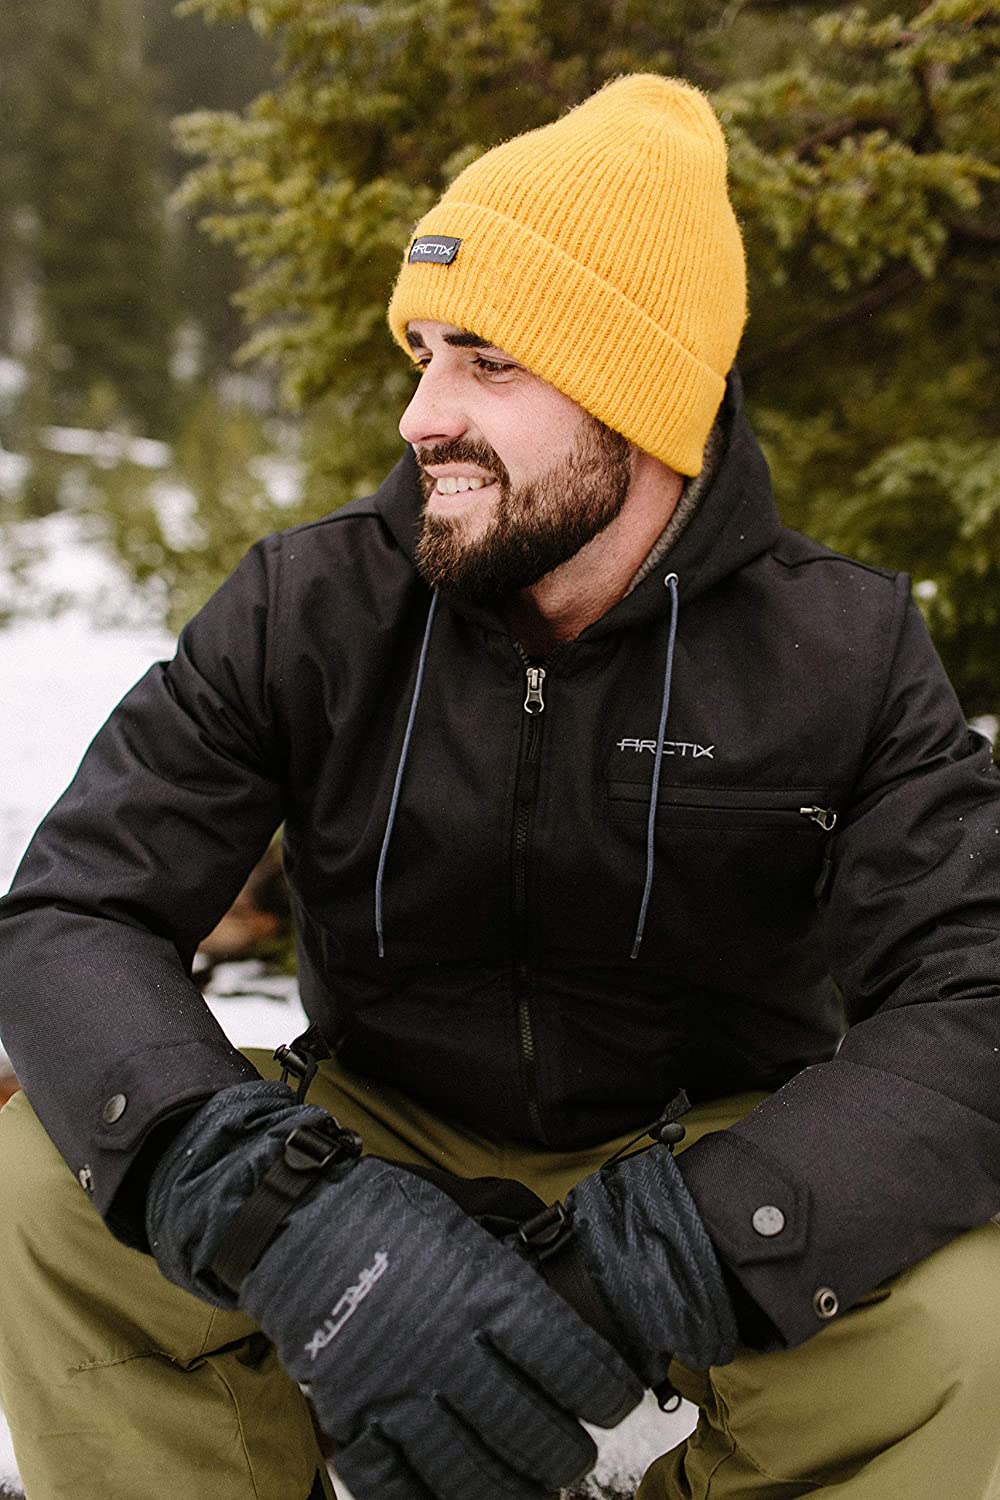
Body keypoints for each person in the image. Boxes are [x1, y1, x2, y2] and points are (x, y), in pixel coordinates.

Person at [1, 73, 1000, 1500]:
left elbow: (976, 995)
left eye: (488, 363)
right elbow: (70, 913)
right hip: (371, 1146)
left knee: (964, 1319)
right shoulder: (310, 604)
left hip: (707, 1162)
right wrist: (277, 1206)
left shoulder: (840, 649)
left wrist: (682, 1249)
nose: (421, 415)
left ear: (636, 400)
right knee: (45, 1187)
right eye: (423, 355)